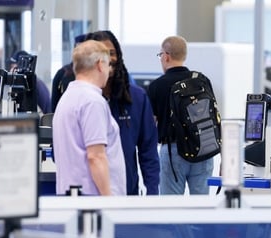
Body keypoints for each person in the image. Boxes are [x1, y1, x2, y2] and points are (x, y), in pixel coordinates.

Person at [84, 30, 160, 195]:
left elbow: (148, 152)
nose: (108, 59)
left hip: (126, 194)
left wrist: (153, 193)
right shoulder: (82, 100)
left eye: (111, 53)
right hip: (88, 195)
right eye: (101, 53)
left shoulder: (137, 98)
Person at [52, 40, 126, 196]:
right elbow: (96, 156)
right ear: (100, 65)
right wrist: (108, 199)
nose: (109, 71)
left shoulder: (68, 98)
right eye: (108, 65)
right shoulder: (92, 102)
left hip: (74, 194)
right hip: (93, 198)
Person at [147, 35, 216, 195]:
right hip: (203, 148)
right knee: (201, 208)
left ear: (166, 56)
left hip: (173, 151)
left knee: (171, 209)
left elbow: (151, 124)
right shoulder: (201, 80)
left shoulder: (157, 86)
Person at [51, 34, 87, 112]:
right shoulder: (62, 74)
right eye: (78, 50)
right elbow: (54, 107)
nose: (81, 54)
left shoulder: (96, 75)